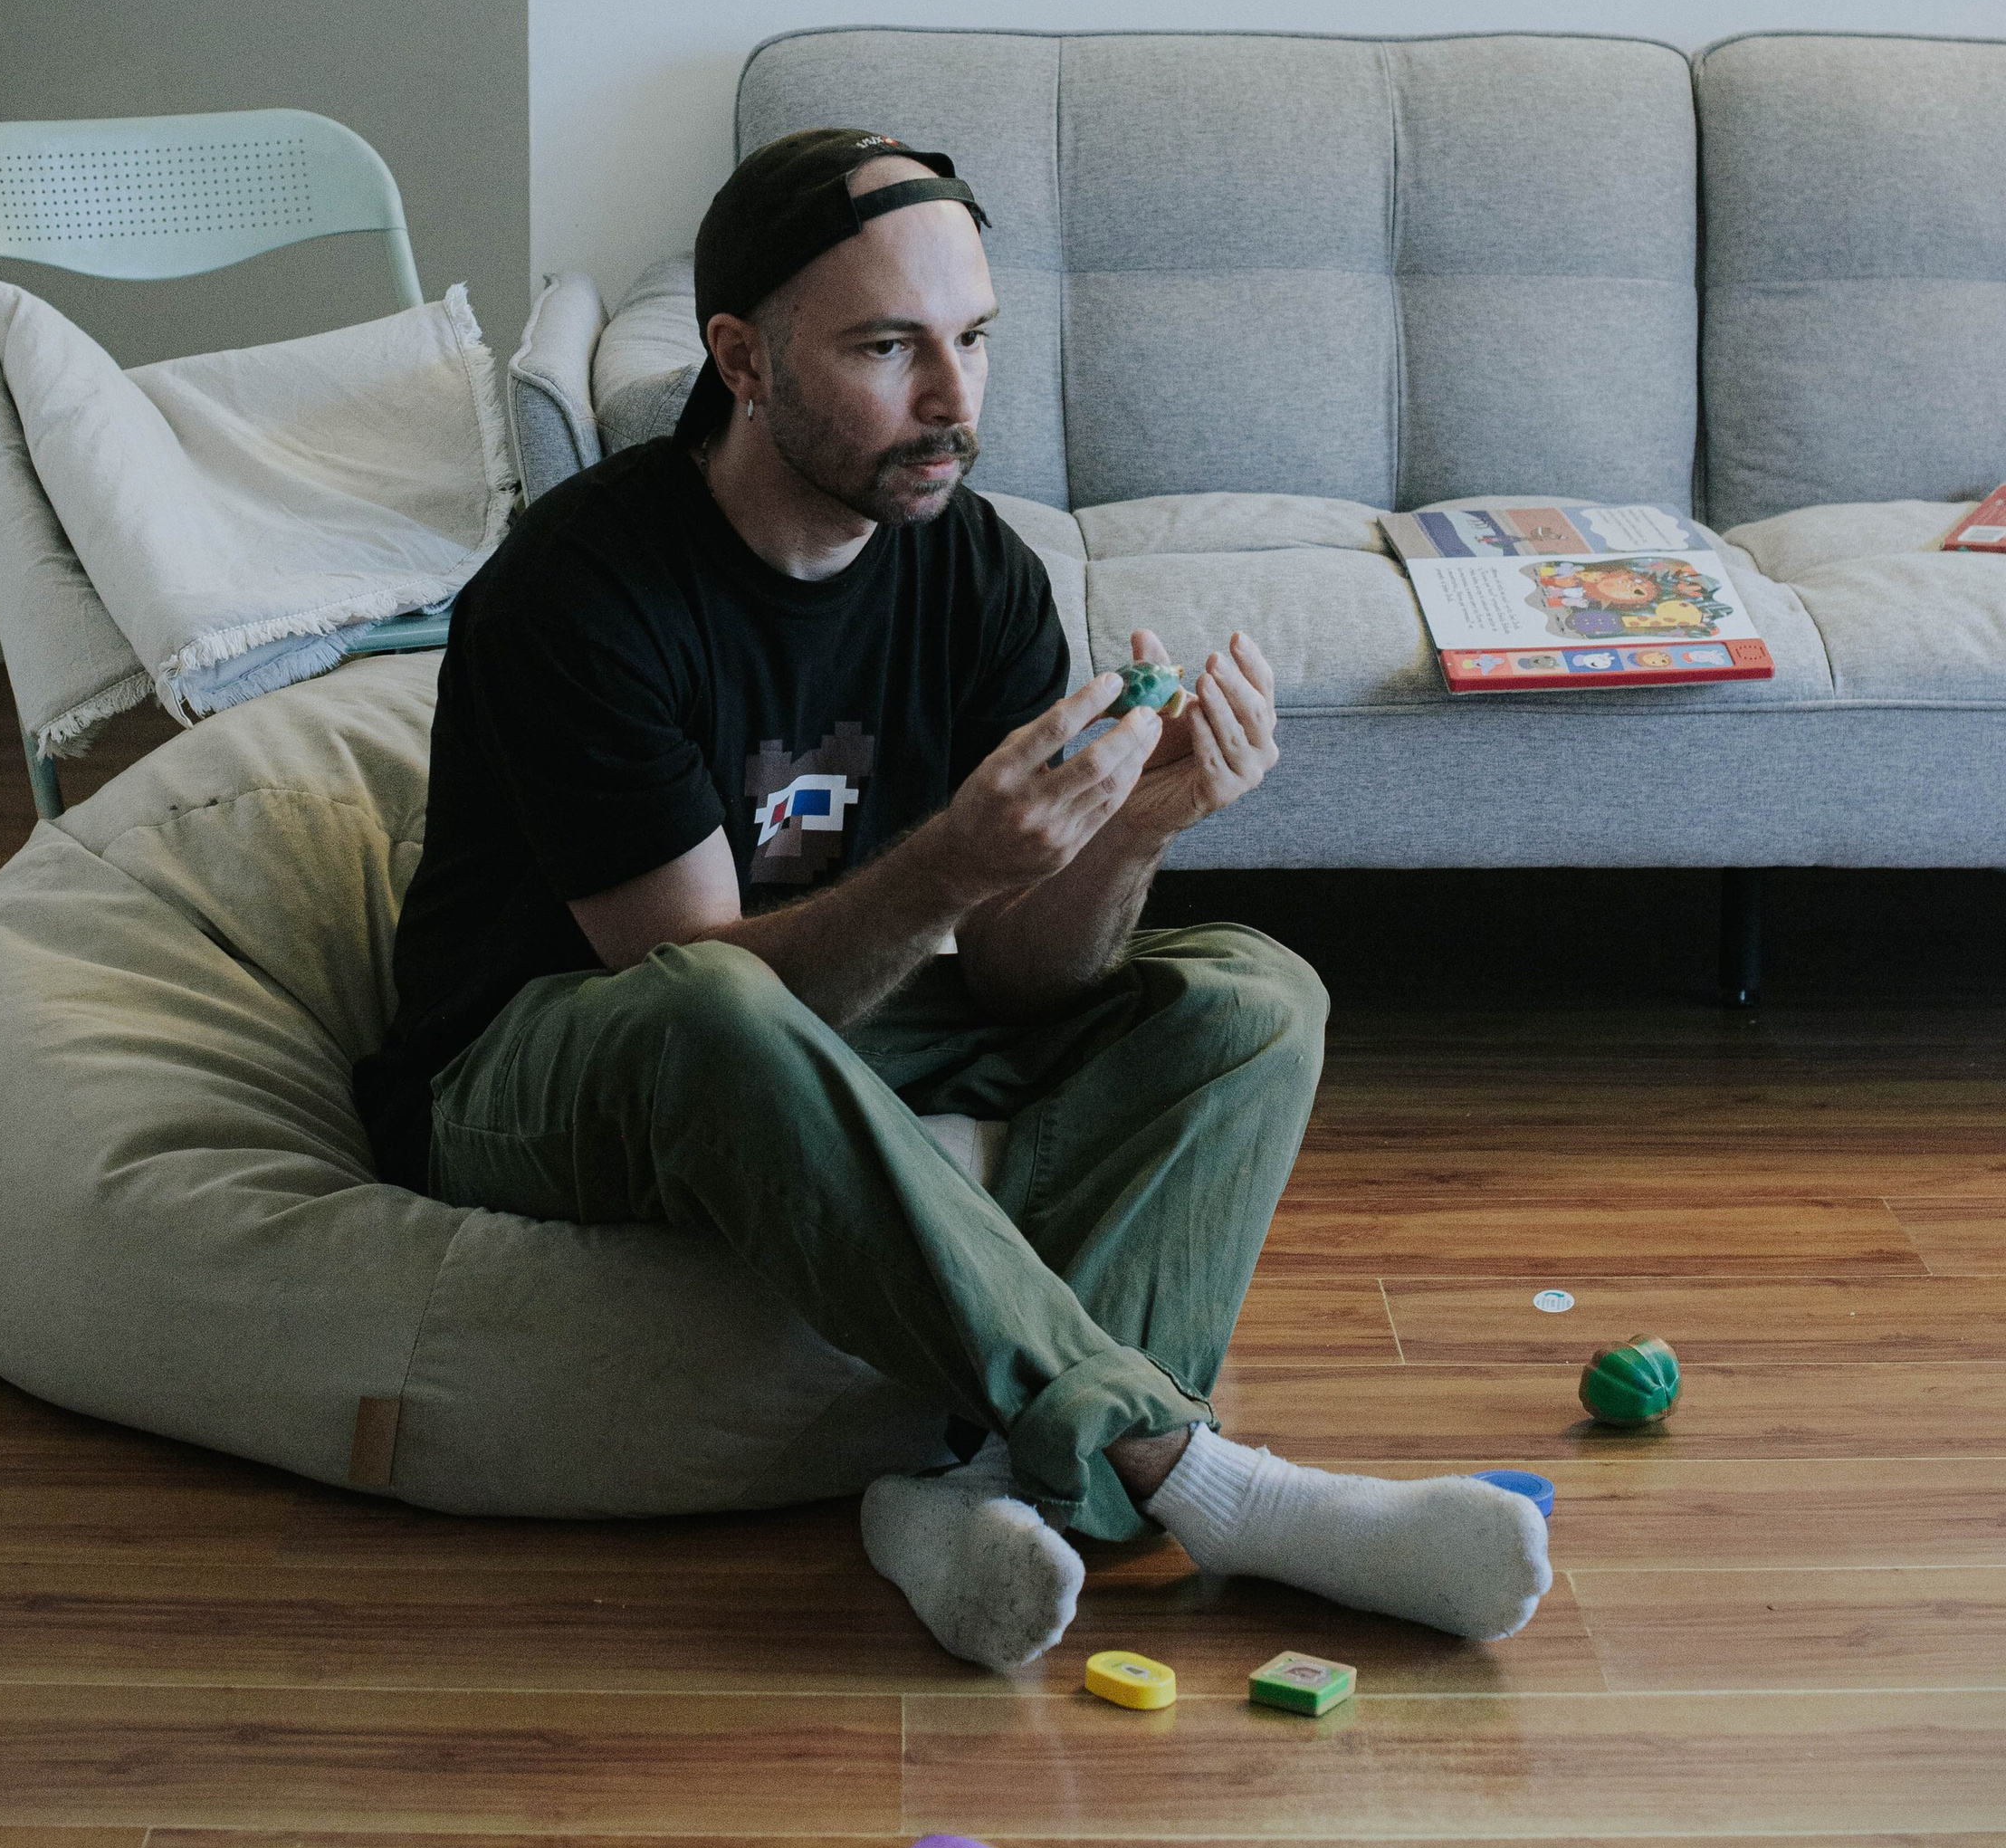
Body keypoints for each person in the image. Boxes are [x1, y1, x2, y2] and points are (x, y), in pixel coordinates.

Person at [356, 129, 1550, 1670]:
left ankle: (965, 1488)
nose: (955, 401)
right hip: (541, 1066)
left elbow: (1020, 988)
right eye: (887, 348)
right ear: (742, 358)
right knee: (713, 1003)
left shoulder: (969, 564)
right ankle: (1204, 1480)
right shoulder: (580, 599)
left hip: (843, 1019)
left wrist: (1135, 832)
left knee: (1253, 992)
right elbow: (708, 1013)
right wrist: (959, 864)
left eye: (974, 340)